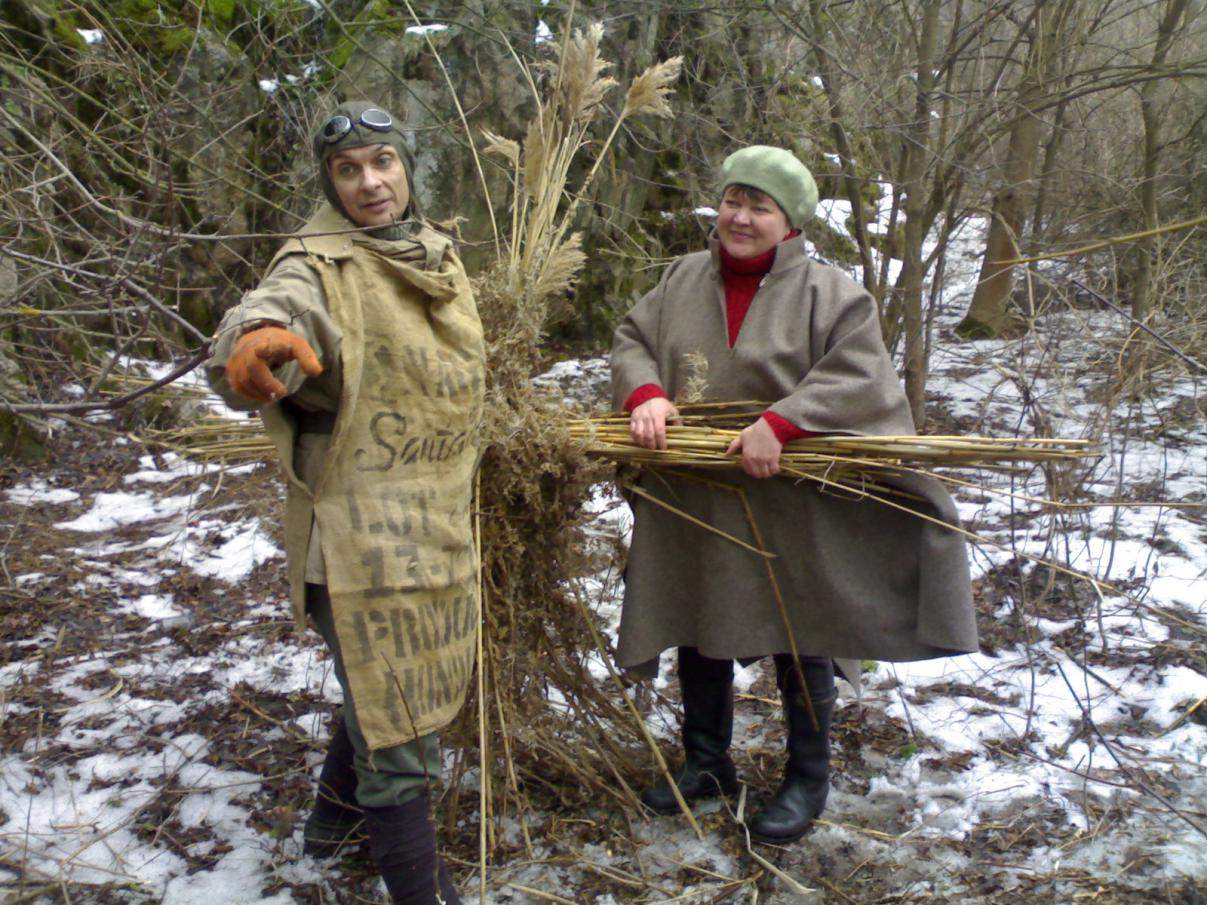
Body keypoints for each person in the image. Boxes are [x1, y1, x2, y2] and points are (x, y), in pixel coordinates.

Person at [610, 145, 977, 844]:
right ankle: (707, 763)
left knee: (799, 627)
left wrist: (782, 422)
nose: (740, 218)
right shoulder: (681, 278)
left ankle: (807, 776)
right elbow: (632, 339)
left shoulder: (830, 294)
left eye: (760, 207)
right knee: (698, 616)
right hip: (696, 490)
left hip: (789, 496)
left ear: (791, 223)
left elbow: (861, 375)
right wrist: (646, 392)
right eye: (733, 200)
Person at [207, 101, 484, 903]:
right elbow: (278, 305)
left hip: (431, 514)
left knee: (384, 686)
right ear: (329, 184)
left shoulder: (433, 253)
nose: (369, 183)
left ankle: (332, 826)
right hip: (353, 529)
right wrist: (257, 338)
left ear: (407, 166)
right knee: (395, 719)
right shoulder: (317, 263)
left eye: (382, 162)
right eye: (347, 170)